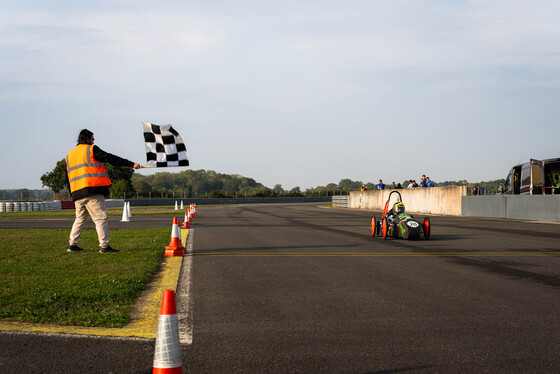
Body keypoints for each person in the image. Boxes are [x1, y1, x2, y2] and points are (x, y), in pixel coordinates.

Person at [66, 129, 142, 253]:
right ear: (87, 139)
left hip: (77, 193)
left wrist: (73, 194)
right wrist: (131, 164)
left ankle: (73, 245)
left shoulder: (69, 156)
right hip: (92, 190)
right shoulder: (91, 149)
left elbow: (67, 178)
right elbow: (109, 158)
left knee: (79, 219)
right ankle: (104, 246)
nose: (93, 141)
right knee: (101, 218)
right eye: (92, 139)